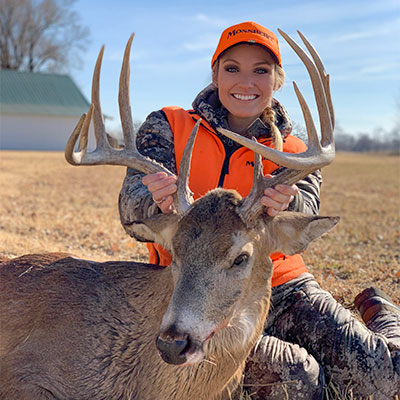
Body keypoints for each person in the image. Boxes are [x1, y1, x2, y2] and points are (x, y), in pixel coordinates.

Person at [119, 21, 400, 399]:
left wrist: (289, 202)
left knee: (383, 380)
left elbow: (307, 207)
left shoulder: (297, 151)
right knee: (295, 384)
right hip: (194, 286)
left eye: (261, 70)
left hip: (283, 287)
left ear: (277, 80)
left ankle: (379, 312)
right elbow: (131, 212)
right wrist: (154, 200)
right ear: (215, 74)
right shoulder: (169, 126)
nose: (245, 81)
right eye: (232, 68)